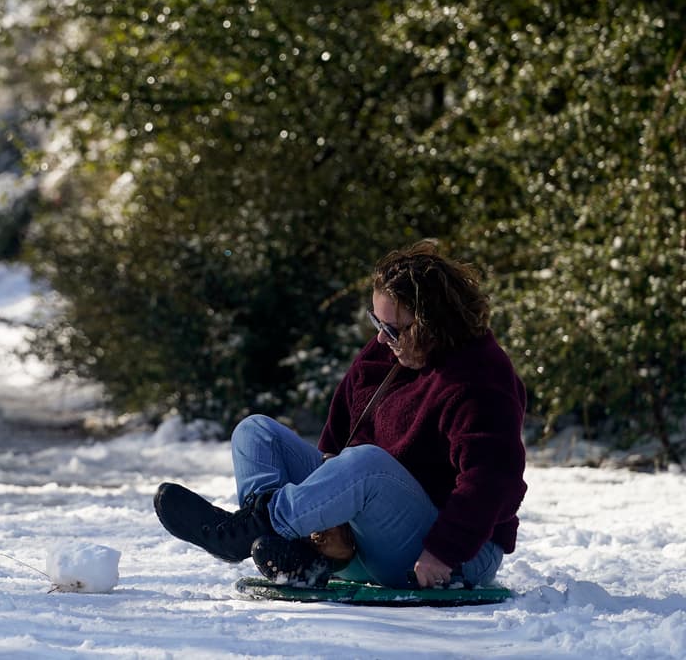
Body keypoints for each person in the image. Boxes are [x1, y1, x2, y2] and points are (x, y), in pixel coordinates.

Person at [154, 240, 528, 589]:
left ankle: (250, 530)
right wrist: (327, 512)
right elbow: (339, 438)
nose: (381, 338)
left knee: (365, 463)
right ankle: (298, 556)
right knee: (256, 431)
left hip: (448, 554)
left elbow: (492, 480)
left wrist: (445, 550)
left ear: (432, 324)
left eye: (393, 328)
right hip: (360, 539)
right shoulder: (390, 352)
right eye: (377, 323)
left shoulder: (480, 378)